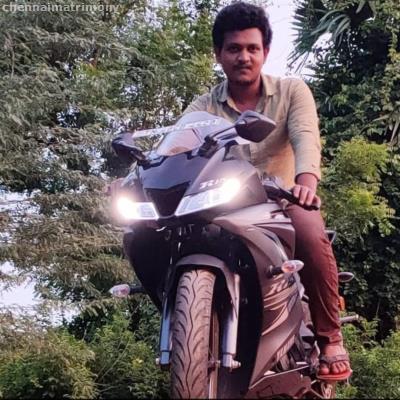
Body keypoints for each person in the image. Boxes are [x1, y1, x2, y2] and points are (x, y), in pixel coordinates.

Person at [182, 1, 352, 381]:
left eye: (252, 48)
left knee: (310, 229)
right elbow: (176, 146)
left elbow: (306, 138)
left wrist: (306, 185)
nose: (243, 57)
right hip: (225, 205)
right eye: (234, 48)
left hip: (281, 201)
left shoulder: (291, 91)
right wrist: (132, 179)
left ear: (265, 52)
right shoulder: (204, 107)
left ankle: (330, 339)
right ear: (218, 54)